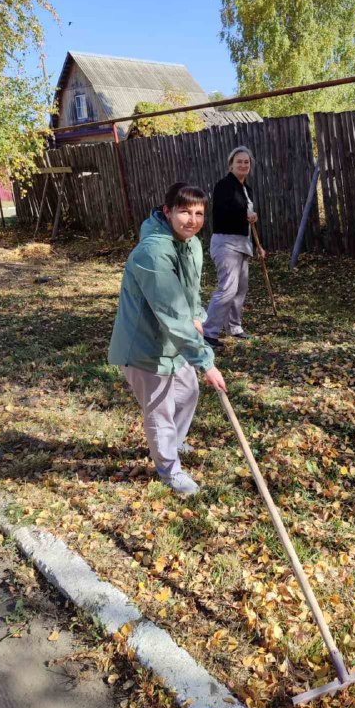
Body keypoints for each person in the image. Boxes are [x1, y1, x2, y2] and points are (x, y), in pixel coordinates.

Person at [108, 183, 226, 496]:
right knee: (160, 411)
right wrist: (206, 361)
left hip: (175, 343)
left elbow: (188, 294)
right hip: (145, 347)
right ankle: (169, 471)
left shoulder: (192, 244)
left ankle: (171, 445)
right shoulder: (152, 253)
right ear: (167, 212)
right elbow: (171, 313)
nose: (193, 219)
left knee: (188, 393)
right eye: (185, 211)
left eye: (199, 213)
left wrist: (198, 315)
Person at [203, 146, 266, 348]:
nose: (243, 165)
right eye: (239, 161)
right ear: (231, 164)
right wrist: (244, 216)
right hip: (225, 243)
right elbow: (221, 213)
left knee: (241, 288)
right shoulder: (224, 186)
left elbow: (247, 220)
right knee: (228, 288)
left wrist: (259, 245)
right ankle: (208, 333)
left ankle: (235, 327)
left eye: (246, 162)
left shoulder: (247, 190)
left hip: (242, 243)